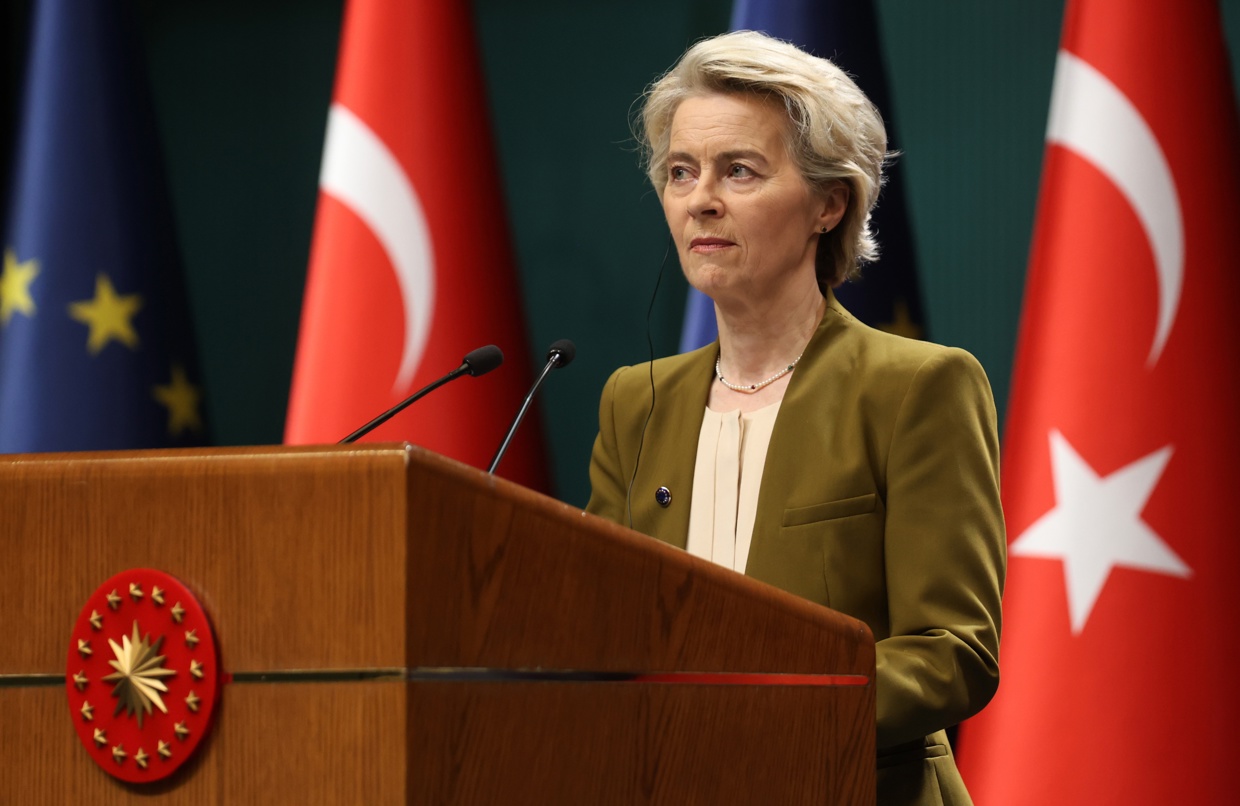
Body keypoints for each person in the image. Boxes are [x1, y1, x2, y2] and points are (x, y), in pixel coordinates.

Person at [585, 31, 1005, 805]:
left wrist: (763, 712)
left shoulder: (919, 387)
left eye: (738, 170)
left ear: (829, 202)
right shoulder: (634, 402)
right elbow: (599, 633)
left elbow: (954, 652)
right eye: (682, 172)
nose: (700, 197)